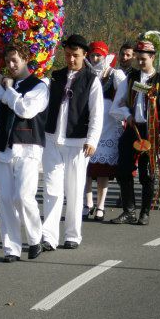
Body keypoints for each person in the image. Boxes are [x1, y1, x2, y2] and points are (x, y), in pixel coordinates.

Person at [0, 45, 49, 262]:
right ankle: (11, 248)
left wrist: (9, 92)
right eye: (8, 62)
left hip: (28, 146)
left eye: (15, 61)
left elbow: (26, 110)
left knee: (22, 196)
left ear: (25, 59)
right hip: (3, 146)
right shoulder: (4, 86)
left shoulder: (39, 86)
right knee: (4, 199)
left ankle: (35, 238)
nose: (11, 66)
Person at [41, 34, 103, 251]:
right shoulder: (55, 77)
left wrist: (92, 139)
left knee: (75, 190)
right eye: (67, 55)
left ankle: (72, 235)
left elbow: (97, 113)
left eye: (75, 55)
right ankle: (48, 236)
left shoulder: (92, 80)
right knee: (52, 189)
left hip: (77, 142)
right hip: (52, 139)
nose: (71, 59)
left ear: (84, 55)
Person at [109, 37, 160, 226]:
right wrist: (126, 115)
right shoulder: (131, 79)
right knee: (123, 170)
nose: (139, 62)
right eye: (137, 58)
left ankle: (144, 212)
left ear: (153, 57)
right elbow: (117, 105)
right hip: (133, 128)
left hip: (152, 130)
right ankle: (128, 211)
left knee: (148, 173)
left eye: (143, 59)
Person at [84, 40, 126, 222]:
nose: (95, 59)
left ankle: (100, 205)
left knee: (103, 170)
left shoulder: (115, 74)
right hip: (88, 123)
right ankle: (87, 203)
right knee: (86, 168)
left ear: (105, 56)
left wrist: (121, 108)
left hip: (108, 125)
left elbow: (125, 94)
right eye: (92, 55)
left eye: (98, 55)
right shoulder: (85, 73)